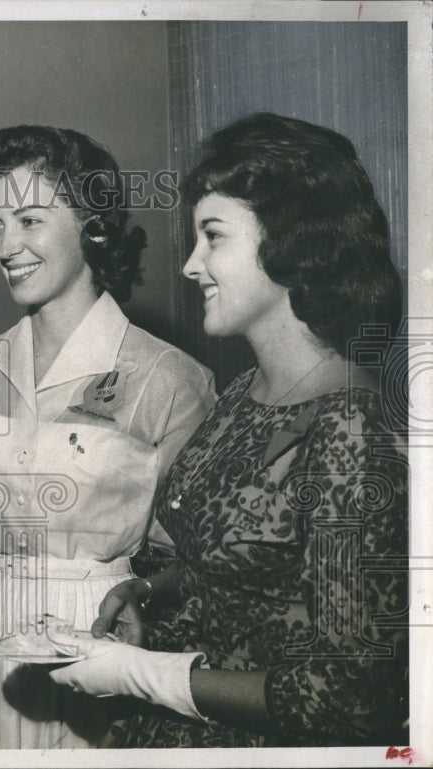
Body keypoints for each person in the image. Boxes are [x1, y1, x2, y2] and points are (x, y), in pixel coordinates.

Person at [50, 113, 408, 747]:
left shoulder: (352, 431)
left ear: (293, 244)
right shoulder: (245, 391)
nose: (191, 266)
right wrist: (148, 590)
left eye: (213, 237)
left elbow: (351, 697)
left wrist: (139, 673)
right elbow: (245, 558)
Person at [0, 125, 217, 749]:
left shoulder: (169, 379)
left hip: (98, 642)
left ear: (93, 225)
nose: (5, 245)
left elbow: (196, 567)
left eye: (29, 220)